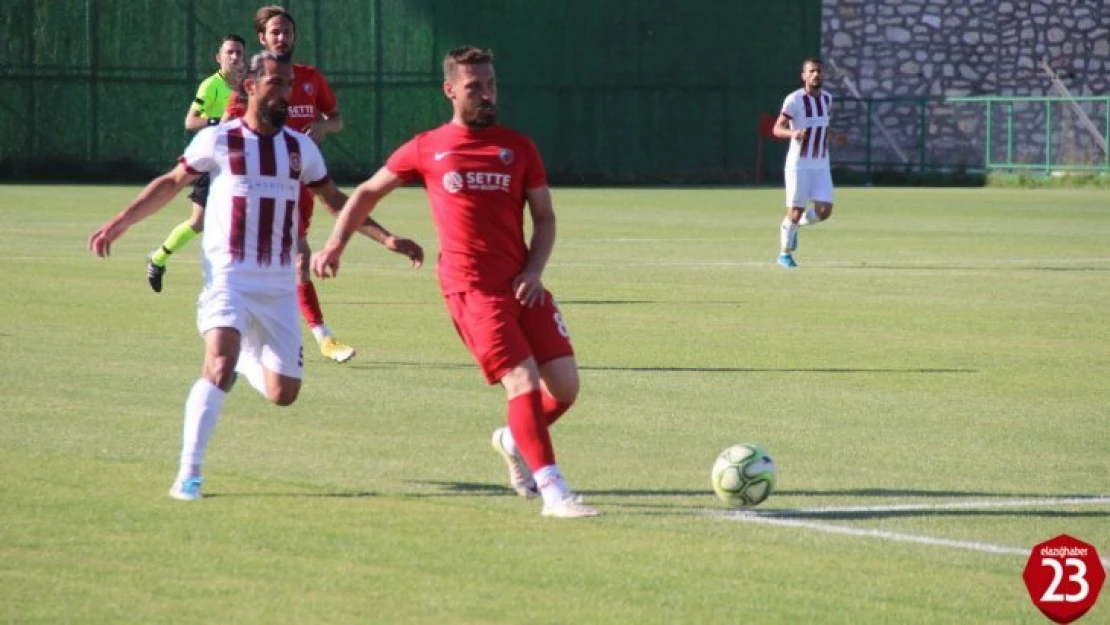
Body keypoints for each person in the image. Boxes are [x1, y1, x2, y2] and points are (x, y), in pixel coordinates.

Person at [87, 52, 424, 501]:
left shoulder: (299, 148)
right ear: (249, 86)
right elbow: (171, 182)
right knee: (218, 365)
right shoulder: (219, 139)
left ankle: (247, 355)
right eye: (274, 84)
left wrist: (386, 239)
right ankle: (189, 474)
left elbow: (336, 202)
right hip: (228, 277)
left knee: (283, 393)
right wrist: (121, 222)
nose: (283, 93)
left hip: (278, 285)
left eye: (287, 85)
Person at [311, 46, 600, 519]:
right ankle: (555, 494)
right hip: (470, 289)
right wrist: (337, 243)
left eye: (491, 85)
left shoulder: (520, 147)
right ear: (450, 90)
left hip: (521, 284)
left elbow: (545, 218)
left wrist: (533, 271)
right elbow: (365, 191)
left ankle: (513, 438)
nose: (487, 94)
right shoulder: (428, 147)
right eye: (474, 87)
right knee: (522, 382)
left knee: (565, 388)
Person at [231, 4, 355, 363]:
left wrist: (323, 127)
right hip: (263, 188)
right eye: (275, 32)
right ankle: (322, 336)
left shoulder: (311, 78)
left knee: (290, 262)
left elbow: (337, 118)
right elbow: (230, 126)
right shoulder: (251, 85)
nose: (282, 37)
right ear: (261, 38)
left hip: (302, 185)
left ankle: (252, 342)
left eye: (287, 31)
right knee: (296, 259)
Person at [145, 34, 246, 293]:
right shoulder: (210, 86)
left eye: (239, 53)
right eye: (230, 52)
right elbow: (190, 122)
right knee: (198, 222)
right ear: (219, 57)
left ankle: (239, 280)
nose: (235, 57)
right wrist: (218, 122)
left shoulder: (249, 86)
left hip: (239, 163)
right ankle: (158, 258)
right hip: (212, 161)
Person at [772, 57, 846, 268]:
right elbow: (776, 129)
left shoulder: (827, 99)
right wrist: (793, 132)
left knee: (825, 211)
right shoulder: (794, 100)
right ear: (804, 76)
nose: (816, 75)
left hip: (821, 163)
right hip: (799, 163)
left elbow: (822, 128)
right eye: (812, 71)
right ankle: (784, 254)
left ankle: (794, 227)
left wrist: (835, 137)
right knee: (795, 210)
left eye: (819, 71)